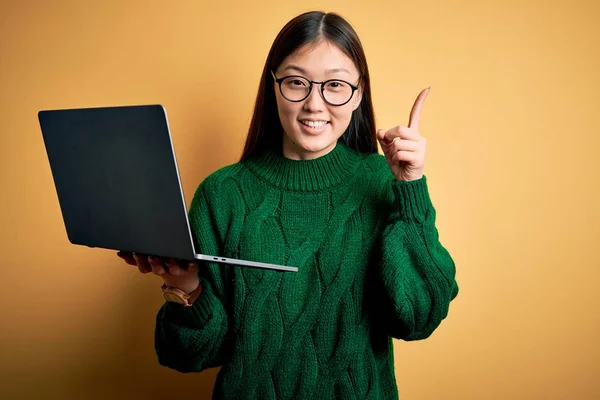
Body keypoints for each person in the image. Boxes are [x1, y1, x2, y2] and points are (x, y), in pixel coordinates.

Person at [118, 10, 459, 399]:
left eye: (335, 85)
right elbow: (189, 355)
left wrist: (410, 187)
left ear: (358, 93)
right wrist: (184, 286)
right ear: (273, 86)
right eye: (297, 82)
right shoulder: (223, 194)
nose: (315, 104)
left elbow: (418, 318)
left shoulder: (385, 182)